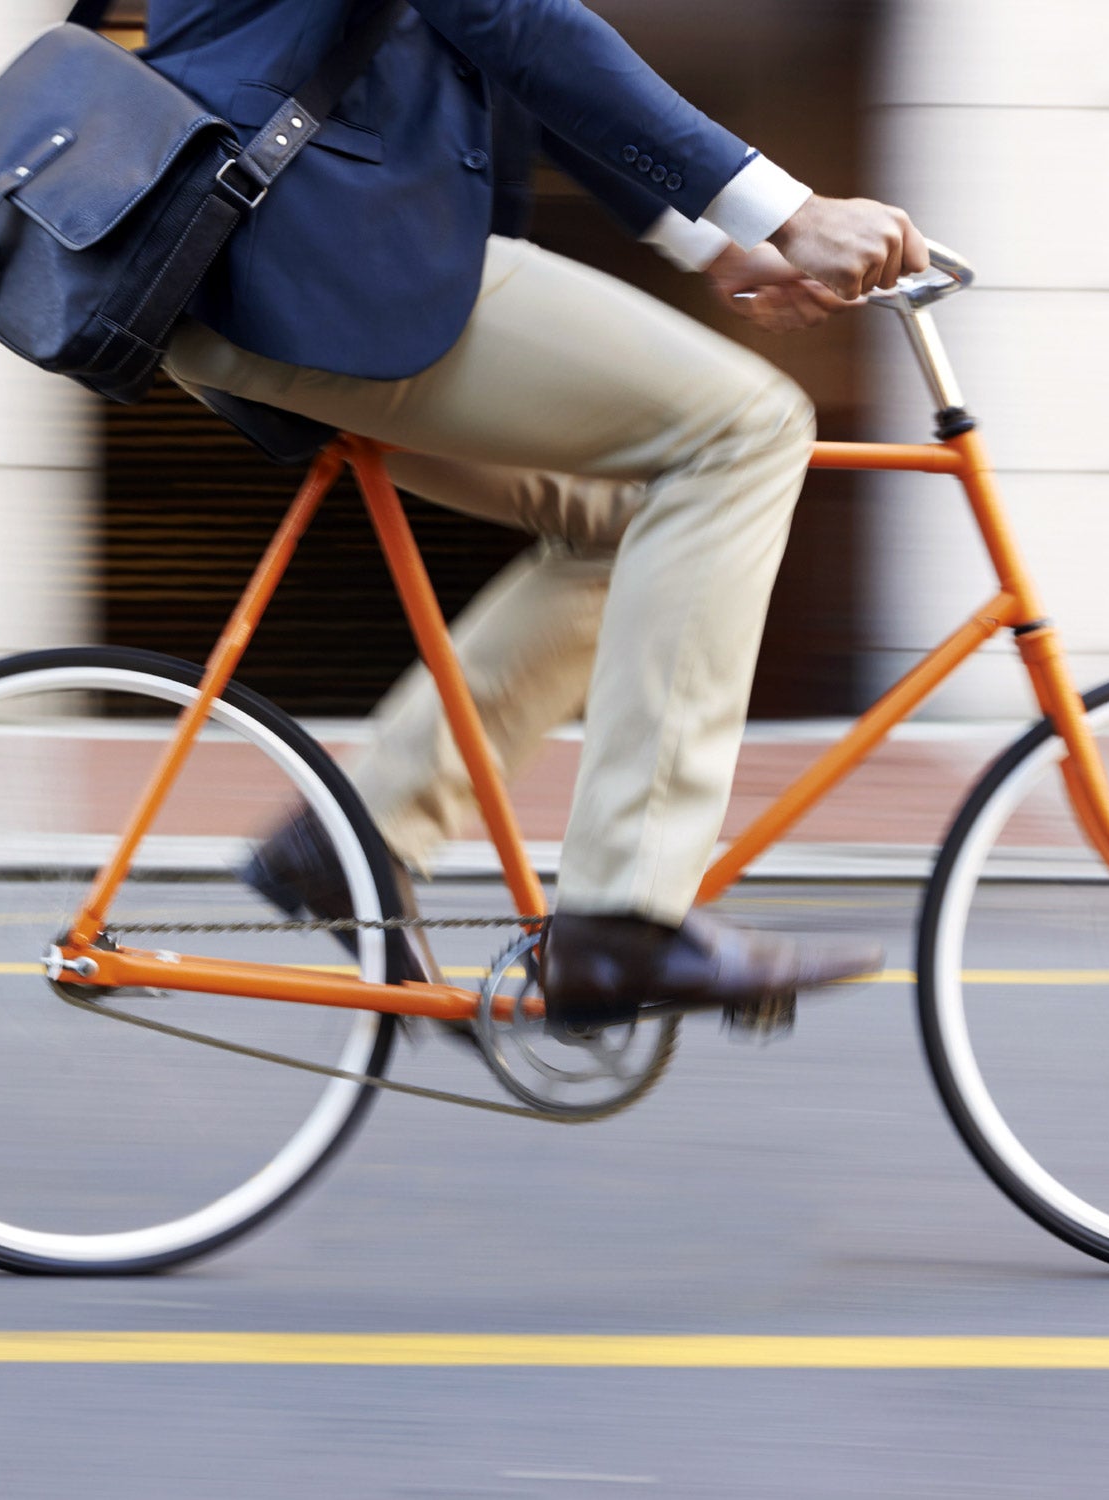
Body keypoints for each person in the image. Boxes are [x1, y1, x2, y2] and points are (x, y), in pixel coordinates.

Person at [143, 0, 928, 1035]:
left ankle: (357, 839)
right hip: (323, 249)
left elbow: (481, 43)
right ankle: (627, 917)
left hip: (269, 251)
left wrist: (715, 243)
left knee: (630, 521)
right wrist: (782, 210)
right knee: (748, 427)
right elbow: (510, 17)